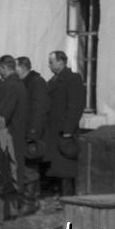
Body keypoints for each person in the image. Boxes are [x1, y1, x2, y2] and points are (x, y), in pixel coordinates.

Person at [45, 51, 85, 198]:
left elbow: (75, 106)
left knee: (66, 164)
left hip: (64, 130)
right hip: (53, 129)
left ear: (61, 62)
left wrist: (68, 129)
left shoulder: (72, 79)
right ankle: (59, 193)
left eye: (51, 62)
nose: (49, 65)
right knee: (57, 164)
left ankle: (67, 195)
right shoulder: (53, 81)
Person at [0, 56, 28, 197]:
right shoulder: (19, 83)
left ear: (4, 68)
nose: (0, 73)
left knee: (10, 170)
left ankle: (11, 204)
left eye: (0, 70)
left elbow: (3, 113)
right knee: (14, 168)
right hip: (14, 132)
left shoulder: (9, 85)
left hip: (7, 135)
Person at [16, 56, 50, 215]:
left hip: (31, 133)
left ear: (22, 67)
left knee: (30, 168)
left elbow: (40, 109)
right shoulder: (23, 83)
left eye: (15, 67)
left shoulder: (37, 82)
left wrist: (33, 132)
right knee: (23, 167)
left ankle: (30, 201)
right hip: (21, 132)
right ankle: (24, 200)